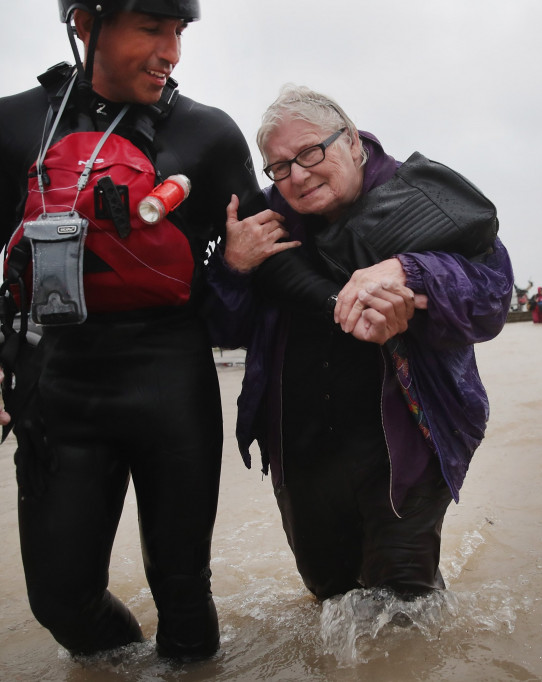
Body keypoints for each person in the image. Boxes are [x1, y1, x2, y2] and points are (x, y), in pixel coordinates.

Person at [0, 0, 266, 660]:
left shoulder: (208, 136)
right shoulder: (10, 125)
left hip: (170, 375)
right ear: (86, 23)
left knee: (183, 597)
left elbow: (272, 256)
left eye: (180, 30)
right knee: (61, 602)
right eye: (152, 27)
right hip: (58, 380)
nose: (172, 49)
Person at [206, 84, 513, 601]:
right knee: (330, 599)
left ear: (350, 139)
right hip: (300, 451)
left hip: (406, 444)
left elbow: (492, 298)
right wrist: (233, 267)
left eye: (309, 152)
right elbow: (222, 331)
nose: (297, 176)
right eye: (279, 166)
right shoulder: (264, 221)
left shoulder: (424, 200)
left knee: (403, 611)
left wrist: (412, 272)